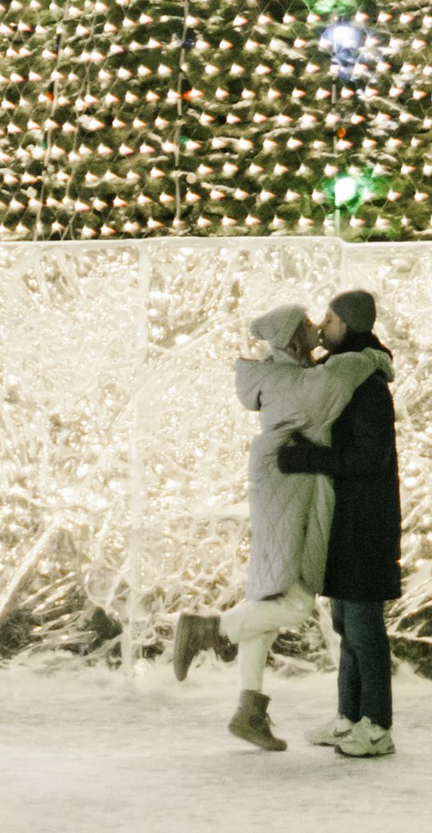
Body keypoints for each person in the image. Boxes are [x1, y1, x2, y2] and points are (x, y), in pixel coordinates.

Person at [172, 303, 388, 751]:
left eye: (324, 320)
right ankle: (211, 630)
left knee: (267, 600)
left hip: (288, 480)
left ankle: (249, 710)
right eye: (310, 325)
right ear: (292, 339)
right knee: (293, 604)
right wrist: (374, 357)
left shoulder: (284, 374)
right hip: (287, 481)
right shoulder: (295, 381)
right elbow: (333, 379)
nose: (317, 328)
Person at [277, 285, 401, 760]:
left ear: (349, 324)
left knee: (365, 626)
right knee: (348, 621)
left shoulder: (365, 384)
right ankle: (350, 717)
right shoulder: (346, 375)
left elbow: (370, 457)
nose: (321, 327)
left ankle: (377, 724)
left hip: (366, 522)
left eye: (329, 319)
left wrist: (311, 458)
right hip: (349, 517)